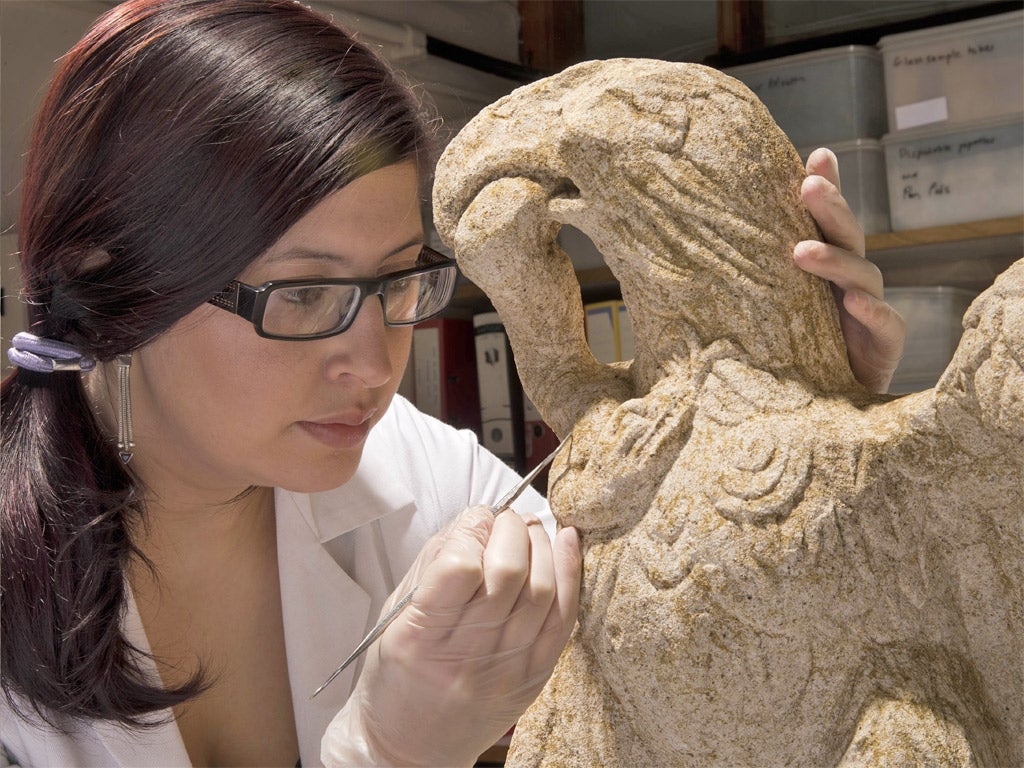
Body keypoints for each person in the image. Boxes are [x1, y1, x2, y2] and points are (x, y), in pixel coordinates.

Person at [0, 1, 905, 766]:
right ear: (107, 281)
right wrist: (387, 753)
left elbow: (706, 619)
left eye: (397, 280)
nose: (374, 361)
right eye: (305, 292)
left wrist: (804, 423)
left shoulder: (410, 473)